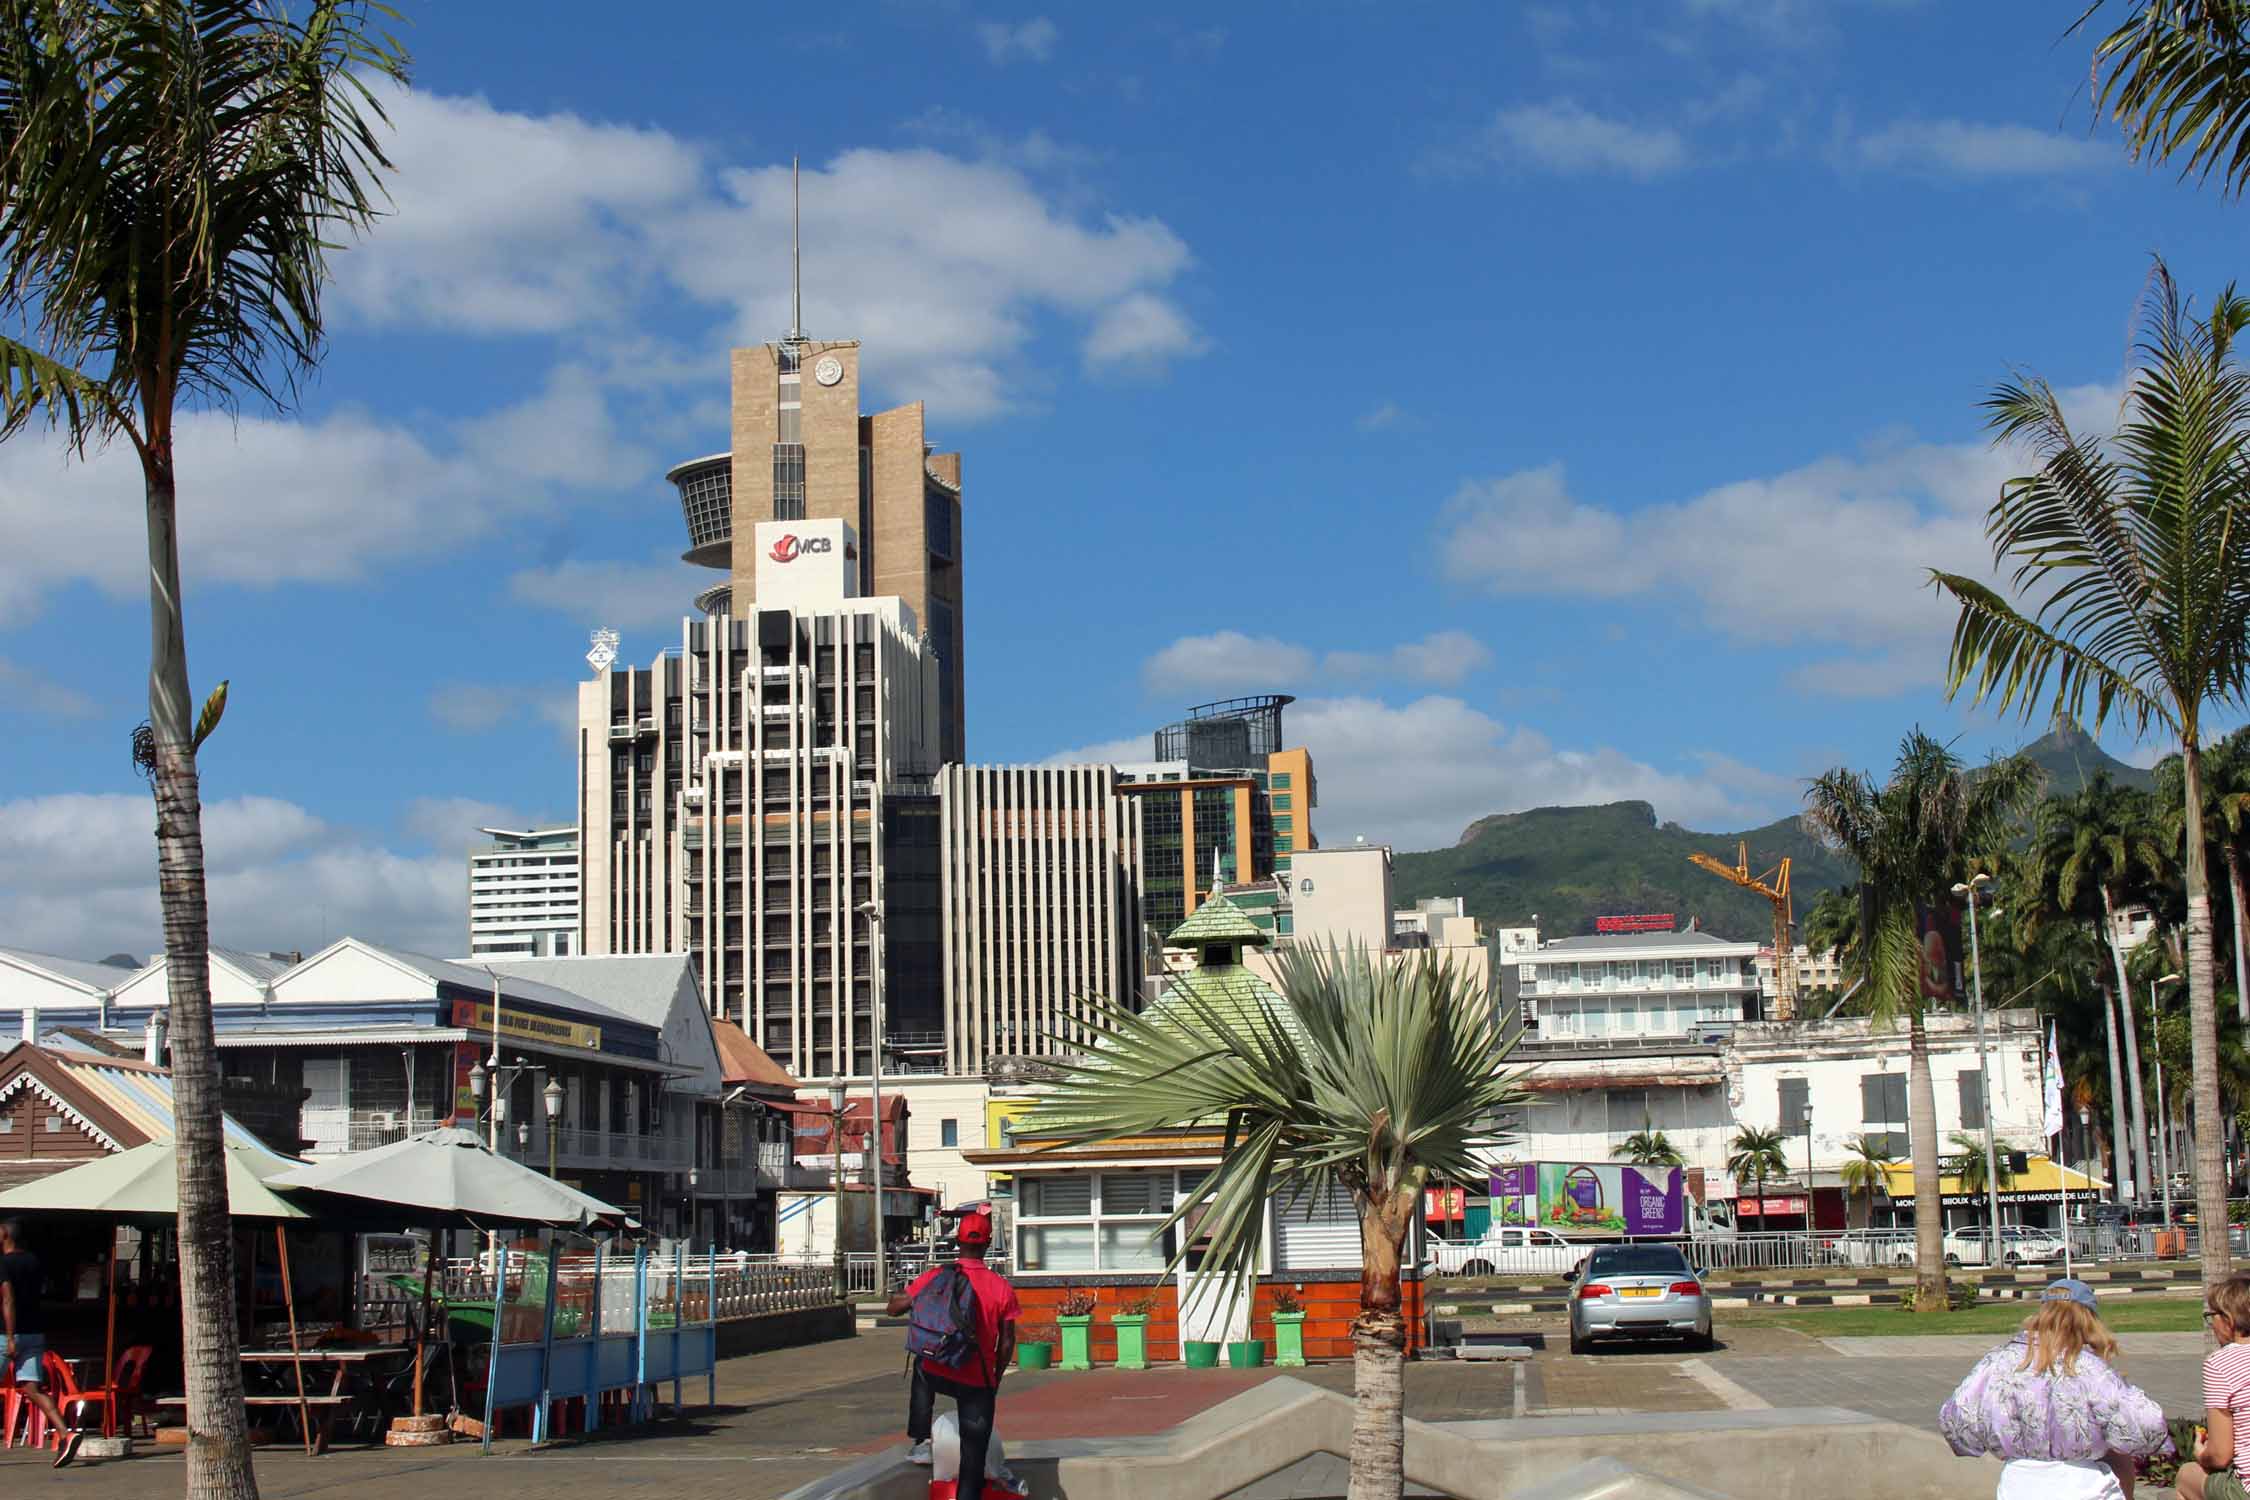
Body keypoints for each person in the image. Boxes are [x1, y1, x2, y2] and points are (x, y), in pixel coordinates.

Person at [1938, 1277, 2171, 1499]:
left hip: (2018, 1483)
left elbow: (1956, 1420)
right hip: (2082, 1485)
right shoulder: (2090, 1369)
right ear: (2089, 1320)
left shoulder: (1998, 1361)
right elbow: (2147, 1425)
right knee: (2118, 1458)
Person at [884, 1207, 1020, 1500]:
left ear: (958, 1242)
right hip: (976, 1381)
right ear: (987, 1243)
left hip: (938, 1373)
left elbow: (894, 1309)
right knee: (973, 1461)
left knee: (921, 1363)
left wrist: (908, 1297)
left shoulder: (936, 1276)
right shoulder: (1001, 1287)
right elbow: (1007, 1342)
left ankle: (921, 1438)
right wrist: (994, 1377)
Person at [1, 1217, 81, 1467]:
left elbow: (8, 1300)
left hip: (8, 1335)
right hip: (35, 1334)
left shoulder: (3, 1263)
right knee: (32, 1388)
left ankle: (67, 1435)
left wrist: (11, 1336)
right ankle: (66, 1434)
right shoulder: (34, 1262)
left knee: (31, 1388)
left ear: (5, 1234)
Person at [2178, 1272, 2250, 1498]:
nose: (2212, 1324)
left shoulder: (2221, 1363)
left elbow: (2221, 1455)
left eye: (2211, 1316)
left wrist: (2201, 1453)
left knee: (2185, 1476)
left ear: (2228, 1318)